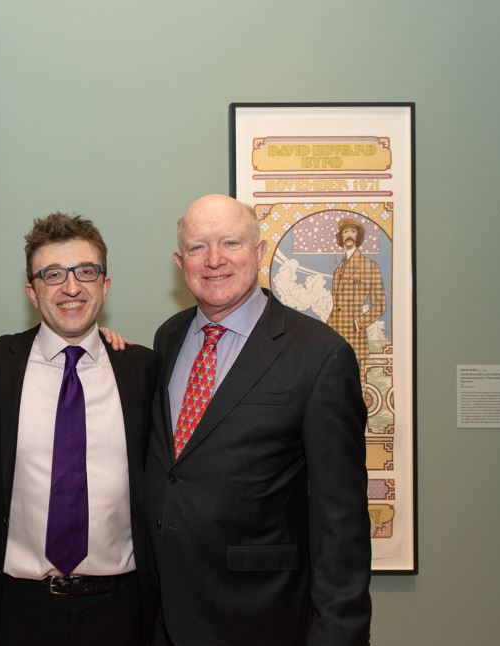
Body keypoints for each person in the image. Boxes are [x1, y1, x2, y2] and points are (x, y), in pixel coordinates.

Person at [146, 195, 371, 646]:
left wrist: (339, 633)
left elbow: (341, 520)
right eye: (197, 247)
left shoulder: (319, 355)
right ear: (180, 262)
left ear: (260, 251)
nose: (214, 259)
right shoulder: (168, 337)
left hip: (261, 617)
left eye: (230, 243)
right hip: (163, 616)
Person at [0, 213, 159, 646]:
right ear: (31, 292)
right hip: (17, 610)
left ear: (105, 286)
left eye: (85, 272)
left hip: (121, 610)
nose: (71, 288)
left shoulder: (143, 370)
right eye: (53, 275)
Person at [326, 217, 386, 384]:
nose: (349, 235)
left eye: (353, 231)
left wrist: (357, 324)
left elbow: (380, 305)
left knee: (356, 387)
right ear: (341, 237)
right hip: (334, 336)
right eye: (345, 231)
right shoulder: (339, 267)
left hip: (354, 336)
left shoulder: (370, 266)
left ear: (358, 236)